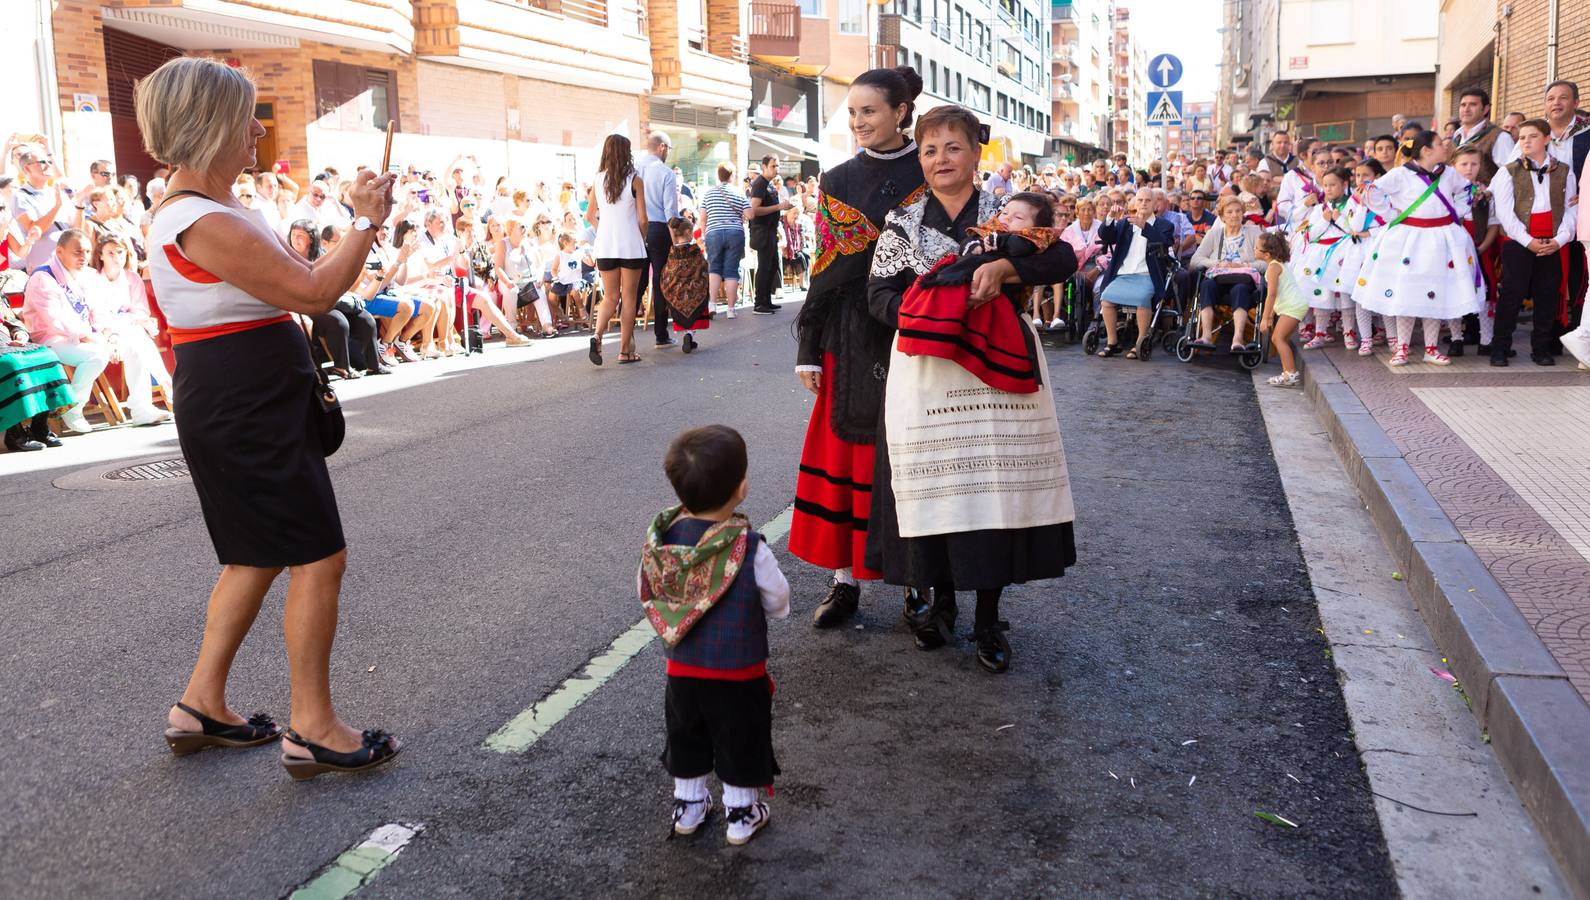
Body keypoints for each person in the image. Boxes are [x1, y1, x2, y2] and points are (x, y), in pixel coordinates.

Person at [136, 56, 399, 776]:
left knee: (254, 555)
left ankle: (200, 705)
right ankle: (312, 726)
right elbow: (314, 292)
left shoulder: (204, 208)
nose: (256, 128)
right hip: (242, 401)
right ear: (209, 125)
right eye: (245, 116)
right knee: (318, 554)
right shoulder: (198, 217)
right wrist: (363, 221)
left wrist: (358, 221)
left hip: (239, 394)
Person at [865, 104, 1077, 673]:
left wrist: (1008, 271)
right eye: (930, 149)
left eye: (952, 147)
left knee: (994, 491)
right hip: (929, 367)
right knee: (935, 491)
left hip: (999, 366)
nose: (940, 160)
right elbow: (879, 294)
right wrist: (933, 312)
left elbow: (1060, 257)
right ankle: (939, 606)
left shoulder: (1006, 210)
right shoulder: (904, 221)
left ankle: (987, 618)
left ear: (975, 152)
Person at [788, 65, 925, 628]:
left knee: (916, 455)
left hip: (914, 329)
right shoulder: (837, 179)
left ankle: (920, 585)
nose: (858, 121)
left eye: (869, 111)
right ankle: (843, 582)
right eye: (852, 113)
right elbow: (825, 269)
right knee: (845, 455)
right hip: (848, 332)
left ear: (900, 112)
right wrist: (807, 348)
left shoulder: (931, 166)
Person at [640, 425, 789, 845]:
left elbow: (646, 589)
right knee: (740, 737)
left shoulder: (663, 544)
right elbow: (777, 598)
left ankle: (688, 806)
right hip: (739, 672)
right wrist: (772, 613)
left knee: (686, 733)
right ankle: (741, 813)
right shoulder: (749, 545)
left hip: (683, 669)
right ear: (741, 487)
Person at [1353, 131, 1481, 366]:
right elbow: (1372, 191)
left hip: (1441, 239)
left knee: (1435, 293)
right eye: (1440, 144)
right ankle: (1402, 347)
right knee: (1406, 292)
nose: (1446, 148)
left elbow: (1467, 190)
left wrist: (1458, 212)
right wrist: (1392, 214)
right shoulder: (1401, 174)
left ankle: (1431, 348)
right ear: (1426, 150)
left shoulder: (1449, 173)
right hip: (1409, 240)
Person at [1489, 119, 1577, 366]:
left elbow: (1571, 209)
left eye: (1533, 136)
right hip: (1519, 241)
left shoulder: (1564, 170)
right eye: (1522, 137)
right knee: (1512, 295)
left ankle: (1541, 348)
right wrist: (1529, 242)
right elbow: (1506, 213)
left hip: (1552, 241)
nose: (1526, 141)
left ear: (1547, 139)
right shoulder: (1509, 171)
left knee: (1547, 295)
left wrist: (1559, 240)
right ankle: (1500, 348)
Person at [20, 229, 111, 434]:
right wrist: (89, 337)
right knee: (96, 356)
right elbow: (55, 321)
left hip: (83, 337)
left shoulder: (86, 275)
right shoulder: (43, 277)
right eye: (77, 252)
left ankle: (141, 406)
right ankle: (72, 409)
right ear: (59, 251)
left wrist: (106, 333)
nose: (84, 257)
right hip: (50, 339)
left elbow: (99, 309)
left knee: (130, 345)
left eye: (87, 251)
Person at [83, 233, 173, 422]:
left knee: (137, 343)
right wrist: (113, 332)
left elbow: (140, 311)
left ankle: (143, 407)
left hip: (129, 332)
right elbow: (97, 316)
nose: (117, 258)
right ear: (100, 255)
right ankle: (164, 387)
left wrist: (121, 324)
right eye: (110, 253)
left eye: (120, 252)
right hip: (101, 335)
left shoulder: (132, 278)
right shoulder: (92, 280)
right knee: (138, 340)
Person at [586, 133, 648, 365]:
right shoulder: (635, 180)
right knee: (629, 297)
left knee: (610, 297)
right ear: (627, 153)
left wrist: (605, 228)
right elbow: (643, 219)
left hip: (605, 245)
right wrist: (640, 237)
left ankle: (597, 335)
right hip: (630, 245)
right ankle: (624, 352)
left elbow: (589, 215)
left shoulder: (598, 179)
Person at [1094, 196, 1174, 359]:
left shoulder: (1164, 225)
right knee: (1106, 300)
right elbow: (1106, 236)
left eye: (1148, 200)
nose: (1144, 203)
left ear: (1155, 205)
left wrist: (1144, 226)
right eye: (1140, 200)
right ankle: (1112, 342)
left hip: (1147, 275)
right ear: (1134, 204)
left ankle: (1140, 342)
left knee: (1142, 299)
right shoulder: (1125, 223)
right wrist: (1109, 217)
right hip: (1124, 273)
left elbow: (1165, 242)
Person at [1188, 194, 1265, 350]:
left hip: (1244, 281)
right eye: (1229, 212)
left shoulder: (1254, 232)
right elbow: (1195, 261)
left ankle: (1237, 339)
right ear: (1222, 216)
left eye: (1238, 211)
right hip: (1219, 279)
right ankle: (1206, 336)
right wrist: (1218, 263)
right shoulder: (1214, 234)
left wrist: (1245, 265)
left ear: (1243, 213)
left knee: (1240, 289)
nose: (1234, 215)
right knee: (1206, 285)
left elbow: (1267, 262)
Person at [1293, 166, 1355, 350]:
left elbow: (1354, 229)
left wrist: (1340, 219)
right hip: (1322, 254)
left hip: (1343, 251)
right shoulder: (1319, 209)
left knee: (1345, 296)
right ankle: (1320, 332)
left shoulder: (1352, 205)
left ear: (1344, 184)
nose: (1328, 189)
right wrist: (1325, 220)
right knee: (1320, 294)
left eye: (1333, 185)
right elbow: (1310, 235)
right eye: (1325, 185)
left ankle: (1349, 332)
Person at [1, 299, 74, 452]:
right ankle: (14, 434)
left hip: (7, 343)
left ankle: (39, 428)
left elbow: (11, 320)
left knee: (47, 356)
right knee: (12, 364)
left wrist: (20, 335)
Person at [1335, 158, 1391, 355]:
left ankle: (1393, 339)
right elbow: (1356, 227)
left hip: (1381, 248)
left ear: (1377, 177)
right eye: (1358, 175)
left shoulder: (1386, 198)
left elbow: (1391, 224)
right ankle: (1365, 338)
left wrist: (1372, 233)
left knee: (1385, 294)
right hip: (1358, 252)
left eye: (1365, 175)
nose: (1360, 180)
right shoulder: (1353, 200)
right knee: (1359, 296)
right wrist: (1360, 204)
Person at [1448, 147, 1501, 354]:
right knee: (1453, 291)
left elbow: (1493, 225)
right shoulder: (1446, 193)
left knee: (1486, 293)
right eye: (1463, 164)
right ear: (1453, 166)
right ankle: (1456, 338)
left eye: (1474, 164)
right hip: (1454, 251)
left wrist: (1481, 248)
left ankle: (1486, 340)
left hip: (1480, 250)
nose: (1469, 169)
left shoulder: (1485, 193)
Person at [638, 131, 680, 347]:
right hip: (658, 228)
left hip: (635, 228)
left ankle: (627, 336)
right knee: (660, 280)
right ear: (662, 147)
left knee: (635, 281)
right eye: (668, 150)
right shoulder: (665, 172)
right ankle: (660, 334)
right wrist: (677, 240)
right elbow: (670, 210)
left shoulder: (633, 168)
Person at [1257, 231, 1308, 386]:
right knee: (1281, 338)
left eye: (1256, 248)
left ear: (1266, 254)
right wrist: (1272, 314)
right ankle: (1288, 372)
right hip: (1293, 306)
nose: (1254, 250)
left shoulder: (1273, 268)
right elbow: (1278, 293)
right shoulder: (1276, 264)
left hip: (1293, 307)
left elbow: (1271, 294)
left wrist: (1265, 318)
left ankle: (1291, 373)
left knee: (1277, 338)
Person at [700, 163, 750, 318]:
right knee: (731, 270)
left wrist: (704, 233)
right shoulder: (739, 192)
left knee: (714, 268)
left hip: (713, 232)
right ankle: (730, 309)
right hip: (735, 233)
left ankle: (712, 304)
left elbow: (702, 217)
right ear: (732, 175)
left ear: (718, 175)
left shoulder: (708, 193)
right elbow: (750, 214)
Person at [746, 156, 790, 315]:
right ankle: (759, 303)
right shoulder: (759, 184)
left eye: (777, 166)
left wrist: (783, 207)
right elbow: (754, 209)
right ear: (764, 166)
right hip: (763, 231)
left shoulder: (769, 184)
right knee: (765, 267)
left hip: (771, 230)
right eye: (773, 166)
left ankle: (767, 300)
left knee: (772, 266)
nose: (776, 169)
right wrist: (779, 206)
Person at [660, 216, 710, 354]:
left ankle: (687, 335)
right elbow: (703, 268)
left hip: (677, 293)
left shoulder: (672, 253)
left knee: (682, 310)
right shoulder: (694, 251)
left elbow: (667, 273)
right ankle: (690, 335)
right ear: (688, 232)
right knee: (696, 307)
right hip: (694, 291)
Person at [1452, 88, 1514, 184]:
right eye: (1463, 105)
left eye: (1473, 104)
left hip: (1487, 198)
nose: (1466, 109)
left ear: (1485, 109)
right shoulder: (1456, 137)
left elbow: (1511, 174)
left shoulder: (1499, 137)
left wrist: (1488, 192)